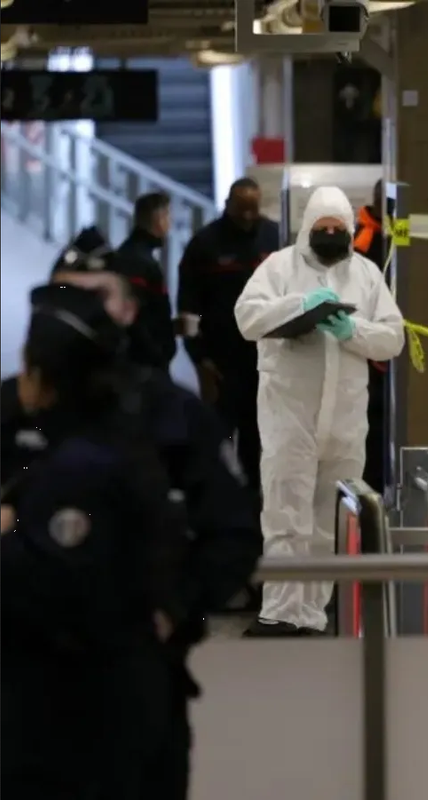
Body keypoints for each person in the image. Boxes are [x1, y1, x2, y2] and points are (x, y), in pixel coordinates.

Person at [3, 270, 261, 800]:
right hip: (22, 685)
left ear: (126, 310)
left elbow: (231, 530)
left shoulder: (170, 412)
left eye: (95, 297)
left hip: (129, 681)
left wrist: (176, 610)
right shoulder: (14, 407)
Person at [1, 283, 188, 799]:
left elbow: (50, 583)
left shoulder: (80, 469)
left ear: (43, 377)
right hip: (115, 695)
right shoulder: (112, 447)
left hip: (79, 706)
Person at [235, 185, 405, 636]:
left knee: (331, 523)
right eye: (322, 228)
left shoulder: (366, 275)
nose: (330, 235)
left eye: (338, 229)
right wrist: (299, 306)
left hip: (345, 422)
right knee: (285, 514)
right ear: (306, 228)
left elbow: (393, 338)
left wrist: (351, 330)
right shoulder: (279, 267)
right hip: (290, 416)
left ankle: (312, 615)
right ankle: (281, 612)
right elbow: (247, 317)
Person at [177, 177, 281, 495]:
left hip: (263, 363)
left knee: (257, 443)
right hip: (220, 365)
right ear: (228, 205)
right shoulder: (205, 244)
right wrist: (199, 360)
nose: (249, 217)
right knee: (217, 441)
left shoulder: (273, 237)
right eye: (242, 210)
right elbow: (188, 312)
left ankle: (253, 512)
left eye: (253, 210)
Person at [51, 225, 171, 372]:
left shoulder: (148, 377)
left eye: (99, 295)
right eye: (74, 295)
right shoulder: (43, 371)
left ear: (129, 307)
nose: (84, 307)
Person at [352, 179, 389, 493]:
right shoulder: (361, 242)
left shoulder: (399, 235)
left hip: (392, 348)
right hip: (366, 352)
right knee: (371, 424)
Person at [116, 191, 177, 370]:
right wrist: (157, 353)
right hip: (144, 365)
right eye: (168, 217)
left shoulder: (136, 254)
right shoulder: (138, 261)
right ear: (159, 219)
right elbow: (136, 317)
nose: (170, 224)